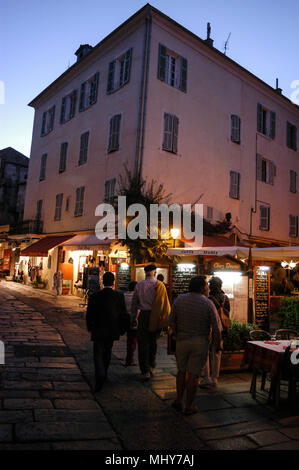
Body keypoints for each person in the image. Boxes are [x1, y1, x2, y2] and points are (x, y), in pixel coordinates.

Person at [169, 275, 222, 415]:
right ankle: (190, 405)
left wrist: (176, 334)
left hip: (182, 341)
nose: (208, 288)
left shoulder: (179, 300)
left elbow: (171, 320)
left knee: (181, 371)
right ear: (202, 287)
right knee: (194, 374)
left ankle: (179, 399)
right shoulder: (208, 303)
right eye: (206, 285)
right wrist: (217, 345)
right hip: (200, 342)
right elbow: (216, 328)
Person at [86, 272, 130, 392]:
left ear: (102, 281)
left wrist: (89, 327)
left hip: (98, 329)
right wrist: (122, 329)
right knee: (107, 352)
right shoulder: (119, 296)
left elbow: (89, 314)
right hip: (112, 329)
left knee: (98, 353)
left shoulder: (95, 296)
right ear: (113, 282)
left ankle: (100, 374)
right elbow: (123, 314)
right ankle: (104, 372)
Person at [131, 264, 170, 381]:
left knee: (143, 343)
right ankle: (152, 367)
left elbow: (134, 303)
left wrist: (133, 318)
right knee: (153, 342)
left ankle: (145, 370)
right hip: (155, 316)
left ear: (145, 272)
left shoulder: (139, 285)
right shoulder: (159, 285)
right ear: (155, 272)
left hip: (143, 315)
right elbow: (164, 304)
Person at [200, 276, 230, 389]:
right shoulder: (225, 298)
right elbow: (228, 313)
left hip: (209, 328)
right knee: (217, 352)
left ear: (211, 286)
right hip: (221, 328)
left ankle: (206, 377)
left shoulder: (208, 299)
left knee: (206, 353)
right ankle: (215, 378)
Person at [124, 280, 138, 366]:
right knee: (133, 340)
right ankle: (130, 359)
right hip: (134, 320)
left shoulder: (124, 295)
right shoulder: (136, 297)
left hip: (126, 319)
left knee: (130, 339)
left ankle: (129, 358)